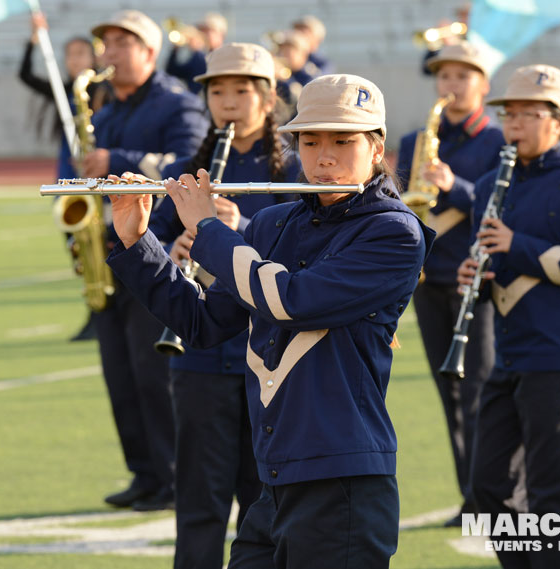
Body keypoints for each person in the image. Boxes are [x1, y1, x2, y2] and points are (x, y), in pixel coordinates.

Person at [107, 73, 433, 568]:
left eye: (343, 140)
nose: (324, 156)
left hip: (340, 481)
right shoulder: (273, 224)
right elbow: (202, 323)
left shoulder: (393, 232)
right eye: (310, 140)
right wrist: (139, 241)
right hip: (274, 482)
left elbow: (290, 300)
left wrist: (208, 228)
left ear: (376, 147)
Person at [458, 64, 560, 569]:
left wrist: (518, 246)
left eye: (530, 113)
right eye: (510, 113)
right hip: (509, 353)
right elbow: (495, 263)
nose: (516, 123)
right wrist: (477, 279)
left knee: (556, 493)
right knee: (489, 485)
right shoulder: (489, 184)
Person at [149, 42, 300, 569]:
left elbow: (304, 259)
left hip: (271, 357)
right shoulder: (185, 168)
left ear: (268, 95)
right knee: (198, 500)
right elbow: (152, 250)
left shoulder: (297, 170)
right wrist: (174, 249)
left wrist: (234, 234)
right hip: (200, 354)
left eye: (242, 89)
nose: (228, 100)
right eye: (217, 90)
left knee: (264, 502)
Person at [87, 9, 209, 512]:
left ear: (150, 52)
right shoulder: (104, 108)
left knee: (151, 375)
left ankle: (171, 477)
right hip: (109, 251)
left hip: (154, 248)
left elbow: (185, 165)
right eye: (107, 43)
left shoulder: (177, 104)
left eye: (123, 43)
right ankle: (143, 472)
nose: (110, 52)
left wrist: (115, 160)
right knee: (119, 373)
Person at [396, 41, 505, 527]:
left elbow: (498, 202)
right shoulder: (418, 137)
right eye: (444, 77)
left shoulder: (497, 139)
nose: (451, 86)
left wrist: (451, 184)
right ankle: (470, 495)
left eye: (463, 76)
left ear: (482, 84)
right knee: (448, 390)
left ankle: (489, 494)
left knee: (477, 390)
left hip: (475, 278)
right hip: (427, 276)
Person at [18, 11, 109, 180]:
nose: (74, 60)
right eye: (70, 54)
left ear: (94, 58)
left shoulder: (106, 88)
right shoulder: (62, 90)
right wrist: (34, 40)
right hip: (69, 157)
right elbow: (25, 75)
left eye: (80, 53)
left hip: (101, 158)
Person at [165, 12, 228, 95]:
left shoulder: (226, 57)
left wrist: (197, 51)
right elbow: (172, 72)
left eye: (207, 30)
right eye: (201, 30)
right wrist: (175, 49)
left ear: (221, 35)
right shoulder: (196, 58)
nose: (203, 34)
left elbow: (207, 68)